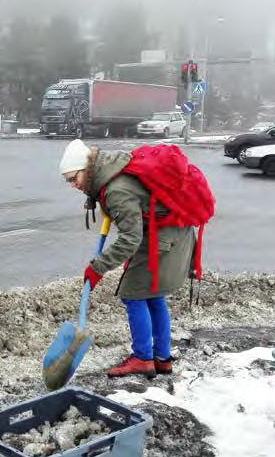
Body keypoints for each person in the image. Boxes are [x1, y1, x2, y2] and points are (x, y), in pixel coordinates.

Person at [58, 139, 198, 378]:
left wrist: (98, 267)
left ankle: (143, 358)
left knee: (133, 294)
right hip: (167, 232)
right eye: (68, 181)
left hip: (163, 237)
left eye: (74, 179)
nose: (72, 185)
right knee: (153, 295)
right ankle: (162, 358)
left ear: (87, 170)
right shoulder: (108, 174)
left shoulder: (115, 190)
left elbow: (130, 238)